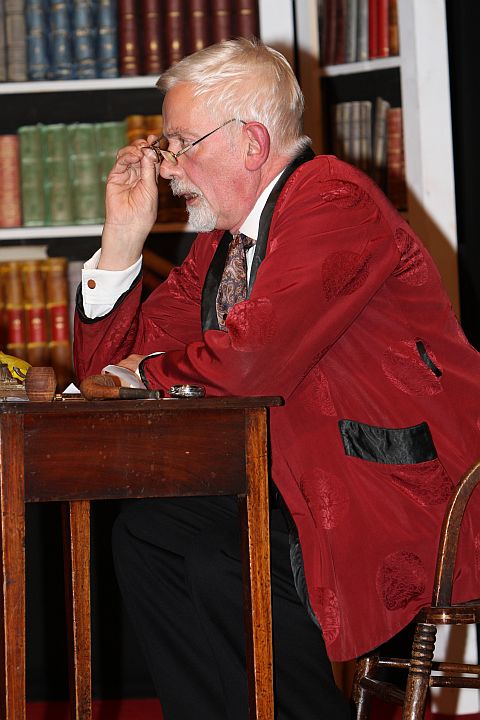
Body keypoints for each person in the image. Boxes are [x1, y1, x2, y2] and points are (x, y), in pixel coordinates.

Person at [74, 38, 480, 719]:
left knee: (224, 562)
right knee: (147, 537)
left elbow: (249, 362)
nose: (167, 167)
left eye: (181, 143)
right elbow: (106, 376)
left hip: (395, 490)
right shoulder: (223, 243)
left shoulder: (334, 199)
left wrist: (145, 373)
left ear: (252, 143)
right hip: (295, 481)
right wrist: (122, 240)